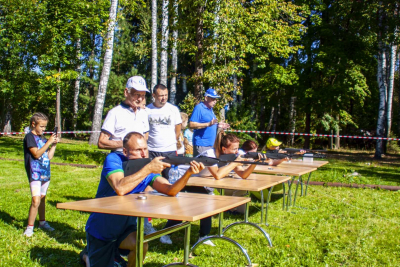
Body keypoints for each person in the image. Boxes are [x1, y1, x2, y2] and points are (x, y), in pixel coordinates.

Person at [81, 132, 204, 267]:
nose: (144, 154)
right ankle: (87, 256)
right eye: (138, 150)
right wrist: (148, 169)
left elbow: (171, 190)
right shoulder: (114, 159)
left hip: (126, 227)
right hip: (102, 228)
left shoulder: (146, 167)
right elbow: (119, 188)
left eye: (145, 149)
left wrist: (188, 174)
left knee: (141, 245)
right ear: (125, 151)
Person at [161, 131, 265, 245]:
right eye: (234, 149)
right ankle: (166, 234)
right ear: (224, 149)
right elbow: (217, 175)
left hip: (196, 181)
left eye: (237, 148)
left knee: (205, 205)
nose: (237, 151)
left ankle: (203, 236)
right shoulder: (209, 155)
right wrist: (234, 163)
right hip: (181, 177)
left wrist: (254, 163)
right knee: (182, 209)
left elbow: (243, 174)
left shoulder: (231, 157)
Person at [23, 112, 59, 237]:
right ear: (34, 124)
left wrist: (53, 144)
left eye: (45, 127)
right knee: (35, 200)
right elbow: (36, 154)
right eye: (41, 126)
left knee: (42, 199)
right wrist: (48, 142)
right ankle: (29, 227)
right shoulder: (29, 137)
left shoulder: (43, 139)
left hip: (45, 172)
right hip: (35, 173)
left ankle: (42, 222)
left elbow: (48, 156)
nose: (44, 129)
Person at [98, 76, 150, 152]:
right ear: (126, 92)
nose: (140, 99)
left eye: (143, 95)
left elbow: (145, 137)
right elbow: (101, 142)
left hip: (139, 158)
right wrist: (127, 143)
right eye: (137, 94)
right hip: (119, 156)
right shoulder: (115, 113)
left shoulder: (143, 113)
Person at [146, 84, 182, 167]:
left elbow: (178, 128)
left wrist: (172, 141)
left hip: (170, 150)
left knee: (170, 177)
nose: (164, 98)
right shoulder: (147, 110)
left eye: (166, 95)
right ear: (154, 95)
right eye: (161, 95)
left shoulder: (173, 109)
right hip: (152, 150)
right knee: (153, 178)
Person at [189, 88, 229, 157]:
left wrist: (218, 125)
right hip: (202, 144)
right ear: (206, 98)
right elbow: (191, 124)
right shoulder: (199, 108)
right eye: (213, 99)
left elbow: (211, 124)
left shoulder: (210, 110)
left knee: (210, 167)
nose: (215, 101)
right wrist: (208, 124)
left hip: (211, 144)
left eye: (216, 99)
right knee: (203, 167)